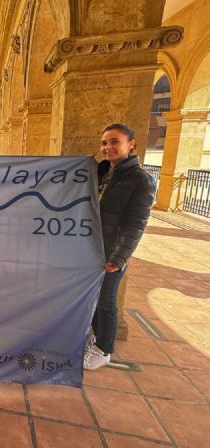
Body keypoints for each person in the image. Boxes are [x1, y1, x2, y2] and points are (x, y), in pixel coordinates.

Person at [83, 123, 156, 370]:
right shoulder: (103, 173)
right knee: (92, 298)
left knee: (106, 301)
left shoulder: (141, 180)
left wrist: (120, 257)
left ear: (131, 144)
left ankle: (104, 349)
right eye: (104, 143)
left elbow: (136, 224)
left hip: (111, 253)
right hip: (91, 248)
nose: (108, 147)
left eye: (115, 141)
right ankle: (95, 337)